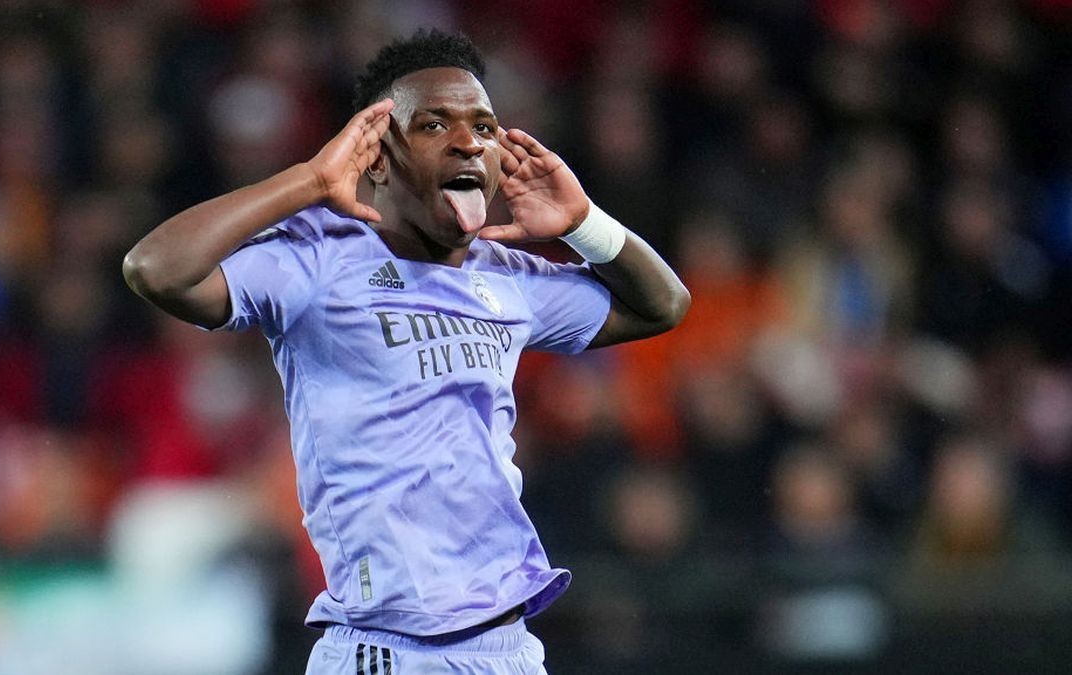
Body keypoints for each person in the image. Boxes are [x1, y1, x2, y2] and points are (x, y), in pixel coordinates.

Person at [123, 29, 689, 674]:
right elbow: (156, 269)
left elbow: (663, 305)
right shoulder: (315, 259)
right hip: (382, 649)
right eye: (434, 125)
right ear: (378, 158)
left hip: (505, 650)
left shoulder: (507, 278)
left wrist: (585, 224)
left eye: (484, 126)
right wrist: (309, 181)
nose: (468, 141)